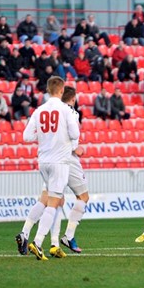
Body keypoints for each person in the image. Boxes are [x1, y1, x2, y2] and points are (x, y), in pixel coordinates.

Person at [16, 86, 89, 257]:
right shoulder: (70, 113)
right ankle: (66, 237)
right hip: (65, 159)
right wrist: (76, 149)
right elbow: (73, 138)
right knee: (82, 197)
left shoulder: (44, 111)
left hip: (48, 158)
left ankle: (27, 233)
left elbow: (28, 136)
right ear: (72, 99)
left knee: (49, 200)